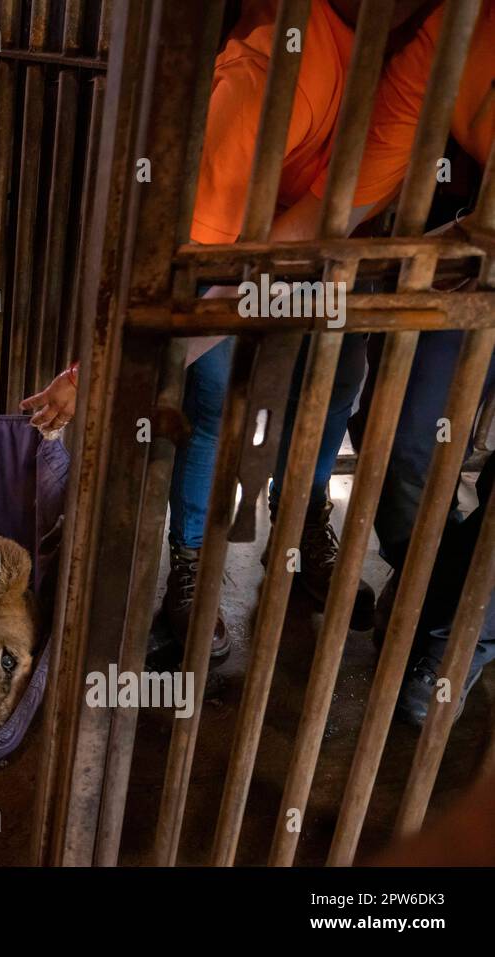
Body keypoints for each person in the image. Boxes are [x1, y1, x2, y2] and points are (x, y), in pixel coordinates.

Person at [23, 0, 437, 659]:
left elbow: (324, 226)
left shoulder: (425, 63)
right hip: (234, 248)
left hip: (326, 243)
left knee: (333, 386)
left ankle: (299, 529)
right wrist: (92, 372)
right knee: (211, 397)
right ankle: (187, 566)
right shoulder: (270, 78)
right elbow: (208, 284)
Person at [333, 0, 495, 724]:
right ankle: (436, 579)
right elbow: (346, 197)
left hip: (474, 240)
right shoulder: (458, 25)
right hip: (474, 256)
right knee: (402, 432)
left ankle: (458, 636)